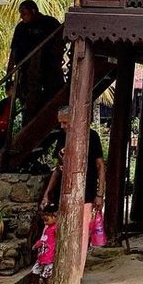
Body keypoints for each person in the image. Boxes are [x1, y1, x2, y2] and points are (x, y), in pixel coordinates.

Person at [40, 106, 104, 268]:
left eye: (65, 123)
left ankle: (76, 270)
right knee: (61, 232)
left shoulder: (92, 136)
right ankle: (61, 266)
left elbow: (100, 166)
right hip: (64, 192)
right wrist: (48, 193)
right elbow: (58, 168)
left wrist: (100, 193)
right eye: (60, 123)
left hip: (86, 193)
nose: (62, 126)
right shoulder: (62, 137)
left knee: (82, 234)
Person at [4, 0, 64, 128]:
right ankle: (28, 126)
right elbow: (14, 51)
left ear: (33, 11)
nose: (22, 17)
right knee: (28, 102)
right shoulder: (20, 28)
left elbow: (61, 39)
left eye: (24, 13)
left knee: (49, 96)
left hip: (49, 70)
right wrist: (9, 75)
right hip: (26, 72)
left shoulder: (49, 23)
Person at [26, 204, 58, 284]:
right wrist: (36, 245)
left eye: (47, 215)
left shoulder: (56, 228)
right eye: (44, 215)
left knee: (46, 276)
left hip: (50, 257)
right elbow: (43, 239)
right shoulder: (46, 228)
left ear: (55, 215)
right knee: (35, 272)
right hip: (41, 257)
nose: (44, 217)